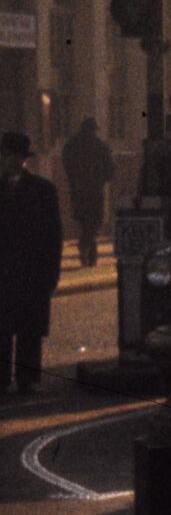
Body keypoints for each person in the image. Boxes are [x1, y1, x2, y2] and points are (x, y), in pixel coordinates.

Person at [0, 132, 63, 396]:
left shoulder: (43, 190)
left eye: (10, 156)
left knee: (29, 329)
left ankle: (27, 378)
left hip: (31, 271)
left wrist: (51, 274)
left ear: (21, 159)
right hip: (3, 271)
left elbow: (53, 235)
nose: (7, 161)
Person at [60, 117, 114, 268]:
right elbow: (110, 168)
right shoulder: (99, 145)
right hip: (95, 190)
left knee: (84, 221)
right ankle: (85, 246)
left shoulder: (72, 144)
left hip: (77, 190)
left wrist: (74, 178)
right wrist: (102, 177)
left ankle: (88, 251)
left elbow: (66, 163)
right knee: (95, 221)